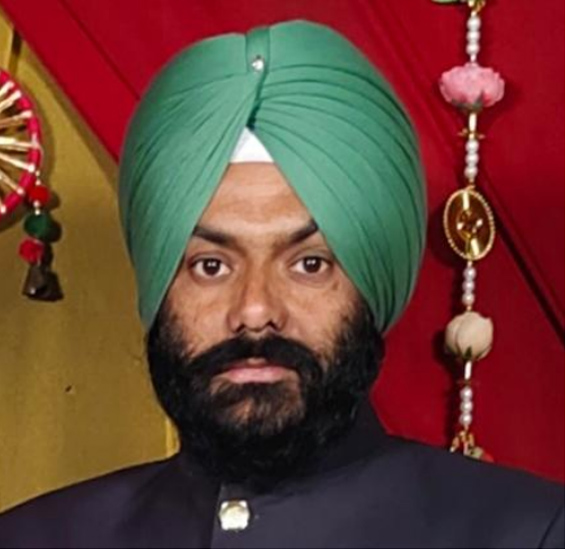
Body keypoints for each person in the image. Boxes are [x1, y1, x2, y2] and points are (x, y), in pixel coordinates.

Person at [0, 20, 563, 549]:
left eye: (309, 264)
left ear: (373, 286)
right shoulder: (34, 537)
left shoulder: (529, 532)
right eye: (211, 266)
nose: (254, 310)